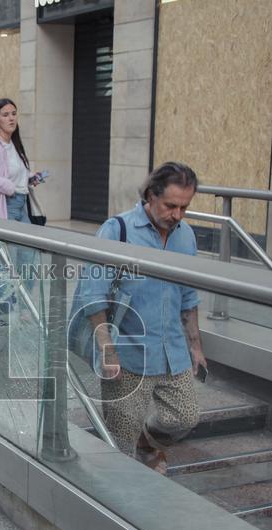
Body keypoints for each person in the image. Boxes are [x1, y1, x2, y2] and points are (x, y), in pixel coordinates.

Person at [73, 162, 205, 474]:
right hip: (128, 351)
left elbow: (189, 296)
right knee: (121, 439)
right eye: (170, 206)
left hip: (172, 349)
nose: (177, 215)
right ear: (150, 195)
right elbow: (93, 294)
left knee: (184, 416)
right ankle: (121, 504)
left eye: (184, 207)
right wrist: (106, 348)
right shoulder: (117, 230)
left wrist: (196, 346)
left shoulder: (185, 236)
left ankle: (148, 441)